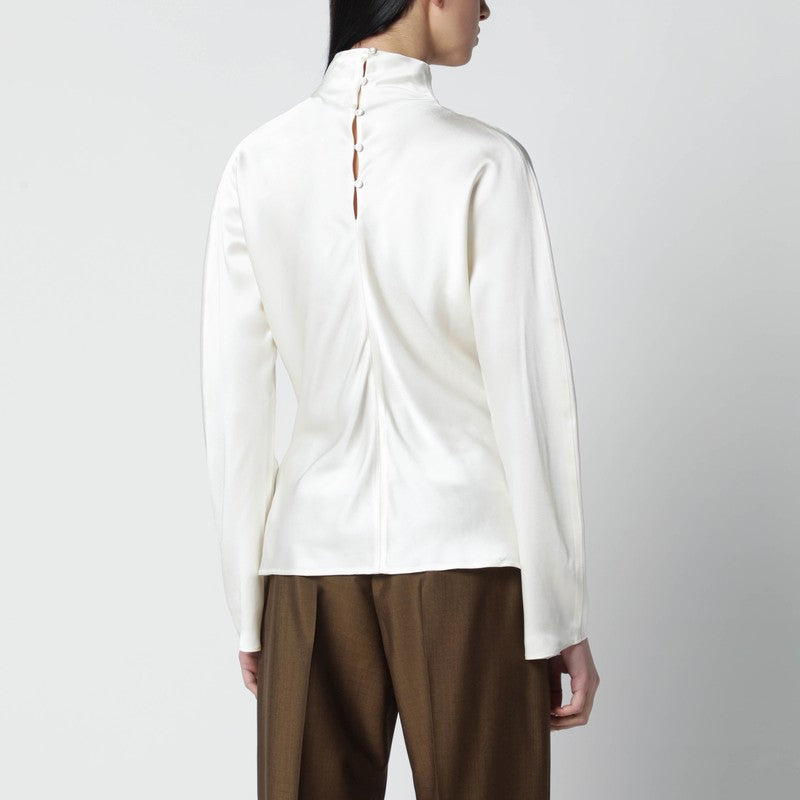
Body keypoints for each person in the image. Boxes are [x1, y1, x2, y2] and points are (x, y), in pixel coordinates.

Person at [200, 1, 600, 797]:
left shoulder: (257, 163)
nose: (487, 8)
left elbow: (235, 407)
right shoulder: (486, 164)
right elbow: (527, 392)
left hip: (306, 570)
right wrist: (558, 613)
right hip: (469, 563)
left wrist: (249, 605)